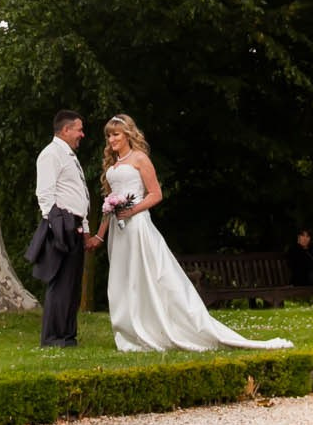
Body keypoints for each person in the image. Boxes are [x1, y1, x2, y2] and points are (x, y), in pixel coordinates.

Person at [90, 114, 294, 353]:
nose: (111, 139)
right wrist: (100, 235)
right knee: (122, 279)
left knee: (143, 277)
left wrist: (132, 210)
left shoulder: (139, 159)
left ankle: (154, 327)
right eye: (109, 135)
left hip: (137, 227)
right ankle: (129, 331)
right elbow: (109, 205)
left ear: (127, 135)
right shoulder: (112, 165)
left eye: (115, 134)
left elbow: (156, 194)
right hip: (118, 232)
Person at [24, 109, 90, 348]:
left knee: (72, 285)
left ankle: (67, 335)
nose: (82, 134)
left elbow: (78, 195)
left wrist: (84, 228)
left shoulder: (69, 156)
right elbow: (45, 193)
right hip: (60, 223)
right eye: (79, 129)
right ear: (65, 130)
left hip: (74, 224)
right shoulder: (51, 154)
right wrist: (56, 225)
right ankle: (53, 338)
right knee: (60, 282)